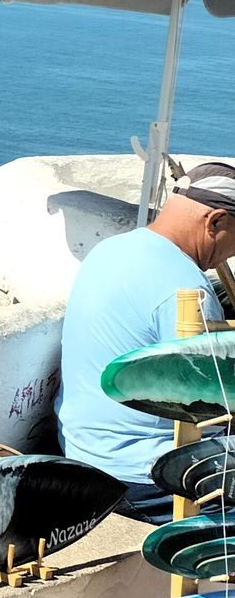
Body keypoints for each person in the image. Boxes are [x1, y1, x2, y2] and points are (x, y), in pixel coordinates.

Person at [59, 161, 235, 522]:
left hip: (82, 451)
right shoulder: (185, 291)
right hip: (140, 476)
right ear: (215, 222)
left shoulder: (111, 249)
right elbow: (214, 407)